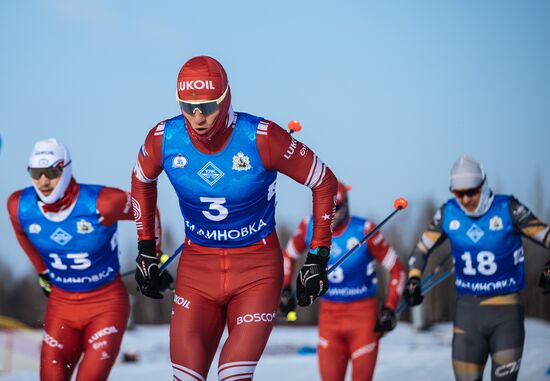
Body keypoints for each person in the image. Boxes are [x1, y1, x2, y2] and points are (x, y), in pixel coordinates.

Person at [131, 55, 338, 381]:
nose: (197, 117)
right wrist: (146, 249)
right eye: (187, 106)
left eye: (208, 106)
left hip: (256, 271)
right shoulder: (165, 138)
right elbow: (141, 180)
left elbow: (324, 182)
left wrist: (318, 256)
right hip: (197, 272)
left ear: (226, 98)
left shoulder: (262, 137)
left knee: (232, 373)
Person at [7, 138, 170, 381]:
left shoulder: (102, 202)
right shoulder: (20, 205)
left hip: (105, 305)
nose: (43, 181)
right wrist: (42, 271)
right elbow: (21, 234)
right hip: (62, 306)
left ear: (65, 169)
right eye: (36, 173)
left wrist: (152, 255)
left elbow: (145, 207)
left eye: (51, 172)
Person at [403, 155, 550, 381]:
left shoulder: (508, 208)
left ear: (484, 185)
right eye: (458, 193)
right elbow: (421, 249)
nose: (465, 199)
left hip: (506, 314)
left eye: (471, 192)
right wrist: (413, 280)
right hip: (467, 315)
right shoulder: (448, 213)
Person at [281, 181, 405, 381]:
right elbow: (288, 256)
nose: (330, 215)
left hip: (362, 319)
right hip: (329, 318)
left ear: (346, 205)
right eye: (324, 209)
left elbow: (397, 270)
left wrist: (390, 307)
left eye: (335, 209)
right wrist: (285, 289)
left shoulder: (364, 229)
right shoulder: (308, 226)